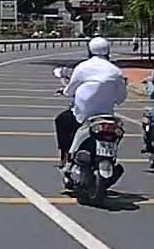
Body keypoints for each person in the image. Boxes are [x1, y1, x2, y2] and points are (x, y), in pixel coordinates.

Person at [54, 36, 128, 170]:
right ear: (108, 52)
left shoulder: (82, 67)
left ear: (89, 51)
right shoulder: (116, 72)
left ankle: (65, 157)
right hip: (106, 116)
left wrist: (64, 91)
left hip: (83, 116)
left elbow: (70, 90)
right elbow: (121, 98)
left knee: (62, 120)